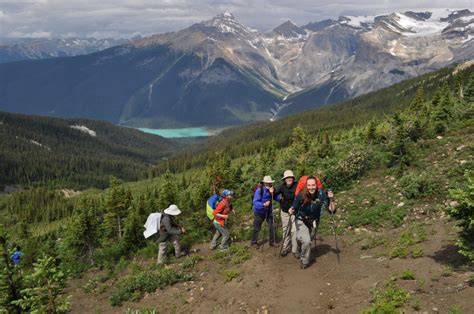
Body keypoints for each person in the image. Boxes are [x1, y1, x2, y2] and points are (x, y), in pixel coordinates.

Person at [289, 176, 335, 269]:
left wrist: (331, 199)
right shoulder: (301, 194)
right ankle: (304, 261)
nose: (311, 187)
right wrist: (291, 209)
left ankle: (300, 243)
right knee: (306, 241)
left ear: (316, 185)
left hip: (314, 221)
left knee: (308, 239)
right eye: (309, 185)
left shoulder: (321, 194)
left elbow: (331, 210)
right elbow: (294, 206)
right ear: (306, 185)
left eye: (313, 185)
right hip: (301, 220)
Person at [251, 176, 281, 248]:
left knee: (272, 226)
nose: (269, 184)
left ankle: (272, 242)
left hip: (268, 210)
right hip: (259, 211)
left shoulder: (272, 189)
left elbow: (276, 197)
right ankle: (254, 242)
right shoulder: (259, 190)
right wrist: (263, 204)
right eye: (267, 183)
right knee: (257, 227)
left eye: (270, 183)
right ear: (264, 183)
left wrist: (280, 199)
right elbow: (255, 202)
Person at [274, 170, 298, 257]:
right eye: (287, 178)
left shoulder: (297, 185)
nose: (289, 179)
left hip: (295, 211)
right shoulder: (281, 187)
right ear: (284, 179)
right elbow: (273, 194)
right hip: (284, 211)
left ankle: (295, 250)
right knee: (286, 230)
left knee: (295, 230)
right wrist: (278, 198)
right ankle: (285, 248)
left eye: (290, 177)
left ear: (293, 178)